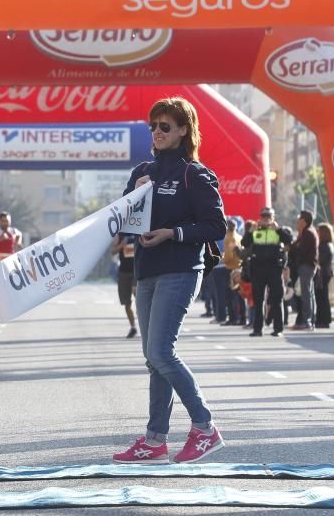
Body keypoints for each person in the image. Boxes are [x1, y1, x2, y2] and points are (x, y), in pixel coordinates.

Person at [113, 96, 226, 465]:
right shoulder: (142, 171)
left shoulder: (195, 173)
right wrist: (136, 195)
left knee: (161, 352)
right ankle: (155, 440)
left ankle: (205, 428)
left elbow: (216, 225)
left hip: (181, 270)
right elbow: (124, 225)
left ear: (183, 130)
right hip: (146, 271)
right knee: (152, 359)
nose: (158, 132)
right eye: (154, 126)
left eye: (166, 126)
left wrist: (172, 233)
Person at [241, 207, 290, 337]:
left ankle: (278, 329)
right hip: (258, 270)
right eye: (263, 216)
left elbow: (289, 240)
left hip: (274, 269)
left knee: (277, 299)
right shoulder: (256, 230)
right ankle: (258, 329)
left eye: (268, 216)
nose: (266, 218)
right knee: (258, 300)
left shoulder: (278, 230)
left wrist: (278, 229)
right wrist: (250, 232)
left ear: (273, 217)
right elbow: (244, 243)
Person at [291, 210, 319, 331]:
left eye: (299, 219)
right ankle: (311, 320)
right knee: (310, 294)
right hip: (310, 266)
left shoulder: (307, 233)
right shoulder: (309, 232)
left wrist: (295, 246)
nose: (297, 222)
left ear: (304, 221)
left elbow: (301, 250)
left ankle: (307, 320)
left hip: (306, 266)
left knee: (306, 294)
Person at [111, 234, 138, 338]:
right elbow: (113, 252)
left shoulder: (139, 231)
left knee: (137, 293)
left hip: (137, 270)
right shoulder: (120, 235)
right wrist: (121, 245)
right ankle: (133, 327)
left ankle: (144, 319)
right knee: (127, 303)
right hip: (123, 272)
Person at [315, 222, 334, 328]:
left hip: (322, 274)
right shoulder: (328, 245)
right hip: (326, 272)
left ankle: (322, 319)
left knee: (321, 297)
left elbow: (320, 260)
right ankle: (324, 319)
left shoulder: (323, 246)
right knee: (323, 296)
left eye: (318, 231)